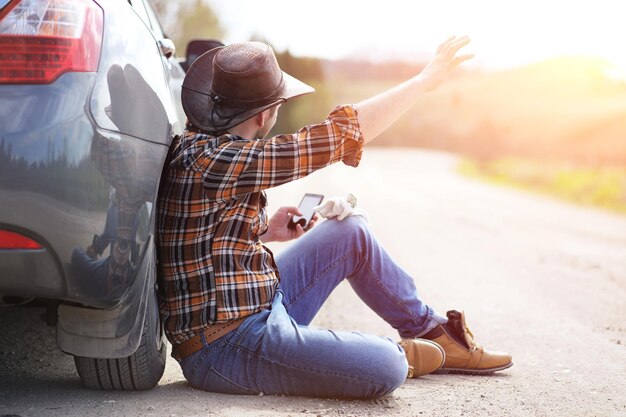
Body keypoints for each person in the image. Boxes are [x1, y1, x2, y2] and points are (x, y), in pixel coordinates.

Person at [157, 36, 512, 399]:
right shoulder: (219, 161)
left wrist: (265, 232)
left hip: (258, 306)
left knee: (350, 230)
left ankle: (436, 333)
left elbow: (197, 241)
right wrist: (422, 82)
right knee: (387, 365)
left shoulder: (202, 151)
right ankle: (381, 354)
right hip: (225, 348)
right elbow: (340, 135)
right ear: (266, 113)